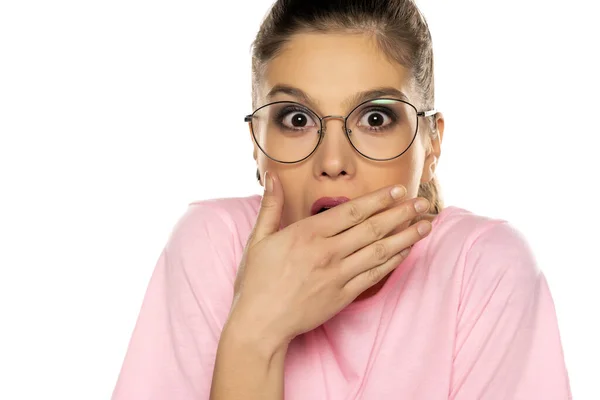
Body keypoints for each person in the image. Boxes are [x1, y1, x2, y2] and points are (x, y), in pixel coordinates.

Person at [111, 0, 572, 399]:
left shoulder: (484, 266)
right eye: (296, 118)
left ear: (431, 145)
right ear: (256, 142)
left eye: (375, 117)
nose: (333, 161)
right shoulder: (211, 245)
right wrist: (255, 336)